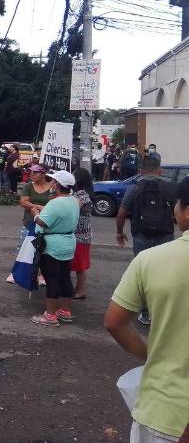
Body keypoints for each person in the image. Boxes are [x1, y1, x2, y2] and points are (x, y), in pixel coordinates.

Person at [104, 179, 189, 443]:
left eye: (176, 203)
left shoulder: (151, 260)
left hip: (165, 411)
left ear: (187, 212)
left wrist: (153, 354)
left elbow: (115, 322)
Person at [115, 155, 176, 325]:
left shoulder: (134, 187)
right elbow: (179, 210)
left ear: (141, 170)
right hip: (165, 236)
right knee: (165, 273)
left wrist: (119, 233)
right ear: (160, 170)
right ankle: (162, 311)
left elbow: (121, 214)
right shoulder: (169, 187)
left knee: (144, 274)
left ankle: (146, 313)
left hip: (141, 236)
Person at [30, 170, 80, 326]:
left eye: (53, 182)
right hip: (68, 242)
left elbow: (43, 222)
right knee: (65, 277)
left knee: (52, 279)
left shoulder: (55, 203)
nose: (51, 184)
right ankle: (65, 311)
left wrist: (35, 214)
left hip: (52, 245)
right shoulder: (74, 201)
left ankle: (50, 316)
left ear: (58, 185)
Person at [6, 164, 53, 285]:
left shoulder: (52, 187)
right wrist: (39, 207)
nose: (32, 174)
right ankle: (16, 273)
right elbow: (23, 202)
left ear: (43, 174)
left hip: (45, 224)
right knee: (23, 248)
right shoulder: (28, 186)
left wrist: (44, 208)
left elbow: (55, 204)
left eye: (35, 172)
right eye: (31, 172)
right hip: (29, 222)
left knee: (45, 250)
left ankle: (42, 274)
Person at [70, 167, 94, 300]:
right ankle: (79, 290)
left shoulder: (81, 195)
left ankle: (80, 291)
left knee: (78, 266)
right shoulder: (84, 193)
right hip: (84, 235)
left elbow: (72, 209)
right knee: (80, 266)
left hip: (79, 236)